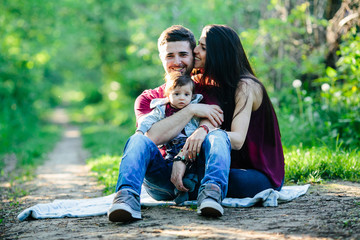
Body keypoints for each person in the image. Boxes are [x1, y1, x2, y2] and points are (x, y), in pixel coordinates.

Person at [108, 25, 227, 222]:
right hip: (162, 179)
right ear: (161, 58)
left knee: (218, 135)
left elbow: (214, 122)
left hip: (200, 174)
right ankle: (126, 199)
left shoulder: (208, 90)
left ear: (193, 56)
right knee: (137, 140)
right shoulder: (148, 98)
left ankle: (212, 194)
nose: (177, 62)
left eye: (183, 54)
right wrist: (191, 110)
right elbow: (152, 137)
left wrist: (184, 157)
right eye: (170, 56)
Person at [190, 24, 285, 199]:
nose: (195, 50)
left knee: (214, 179)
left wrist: (202, 133)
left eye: (203, 47)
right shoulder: (211, 83)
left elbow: (238, 139)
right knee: (200, 174)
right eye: (198, 44)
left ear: (219, 55)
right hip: (231, 166)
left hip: (259, 174)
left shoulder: (246, 86)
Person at [136, 72, 203, 204]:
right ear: (168, 95)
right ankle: (181, 188)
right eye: (176, 94)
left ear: (192, 96)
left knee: (195, 165)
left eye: (186, 94)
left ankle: (189, 182)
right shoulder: (162, 109)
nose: (182, 98)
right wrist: (139, 131)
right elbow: (147, 120)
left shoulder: (196, 107)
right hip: (173, 147)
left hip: (191, 147)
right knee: (170, 166)